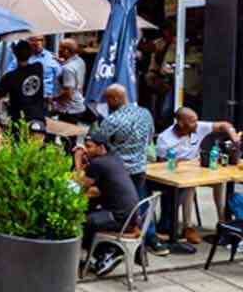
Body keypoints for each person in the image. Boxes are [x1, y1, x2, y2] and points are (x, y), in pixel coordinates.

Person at [92, 84, 166, 255]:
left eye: (108, 99)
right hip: (139, 169)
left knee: (116, 208)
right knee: (142, 205)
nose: (106, 103)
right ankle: (150, 239)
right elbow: (149, 139)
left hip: (118, 173)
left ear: (115, 99)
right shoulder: (145, 114)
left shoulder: (112, 120)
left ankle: (113, 246)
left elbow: (99, 145)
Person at [155, 107, 238, 244]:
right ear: (181, 123)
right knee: (190, 184)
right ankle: (188, 227)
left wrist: (233, 136)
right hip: (178, 176)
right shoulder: (165, 139)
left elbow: (224, 125)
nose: (197, 123)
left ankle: (222, 223)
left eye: (196, 120)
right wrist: (184, 163)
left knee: (220, 181)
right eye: (193, 121)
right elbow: (161, 166)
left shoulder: (197, 127)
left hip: (198, 171)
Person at [76, 129, 141, 277]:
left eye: (90, 146)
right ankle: (105, 253)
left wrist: (78, 159)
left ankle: (105, 255)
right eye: (86, 146)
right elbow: (101, 187)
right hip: (133, 215)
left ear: (101, 147)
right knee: (91, 213)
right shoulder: (114, 158)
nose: (87, 149)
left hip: (120, 218)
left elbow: (80, 186)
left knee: (81, 221)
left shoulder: (99, 163)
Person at [0, 40, 46, 122]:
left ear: (14, 53)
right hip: (38, 117)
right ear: (31, 53)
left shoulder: (10, 77)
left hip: (20, 120)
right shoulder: (38, 67)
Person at [54, 39, 90, 123]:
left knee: (65, 135)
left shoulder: (67, 69)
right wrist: (62, 62)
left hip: (69, 110)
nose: (58, 51)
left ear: (66, 51)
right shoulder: (80, 61)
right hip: (79, 105)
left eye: (60, 48)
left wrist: (53, 99)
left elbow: (68, 94)